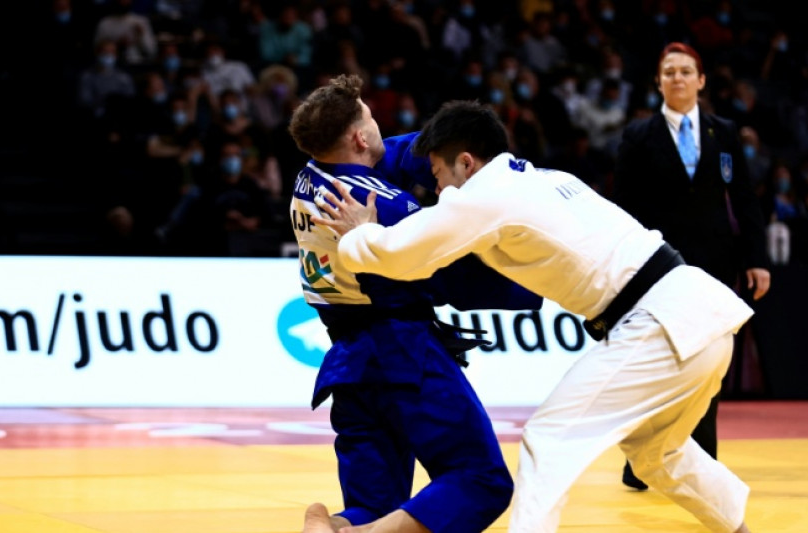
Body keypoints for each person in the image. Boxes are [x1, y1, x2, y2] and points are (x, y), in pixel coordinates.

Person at [311, 100, 756, 533]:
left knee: (549, 436)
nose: (439, 189)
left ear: (466, 162)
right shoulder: (546, 178)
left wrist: (360, 233)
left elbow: (402, 256)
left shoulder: (483, 197)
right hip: (700, 314)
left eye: (438, 175)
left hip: (658, 321)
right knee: (657, 453)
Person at [289, 75, 541, 533]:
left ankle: (332, 524)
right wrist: (541, 278)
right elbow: (459, 283)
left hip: (348, 367)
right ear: (358, 138)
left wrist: (450, 145)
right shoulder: (388, 207)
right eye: (370, 117)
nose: (379, 125)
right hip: (404, 355)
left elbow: (398, 153)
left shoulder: (310, 178)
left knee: (375, 505)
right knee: (480, 479)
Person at [612, 42, 770, 490]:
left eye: (685, 71)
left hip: (716, 263)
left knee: (709, 360)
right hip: (657, 267)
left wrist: (757, 260)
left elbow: (744, 199)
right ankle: (642, 462)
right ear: (658, 82)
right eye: (669, 72)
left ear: (701, 81)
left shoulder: (725, 132)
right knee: (653, 360)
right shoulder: (638, 136)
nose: (677, 78)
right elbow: (622, 207)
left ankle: (701, 459)